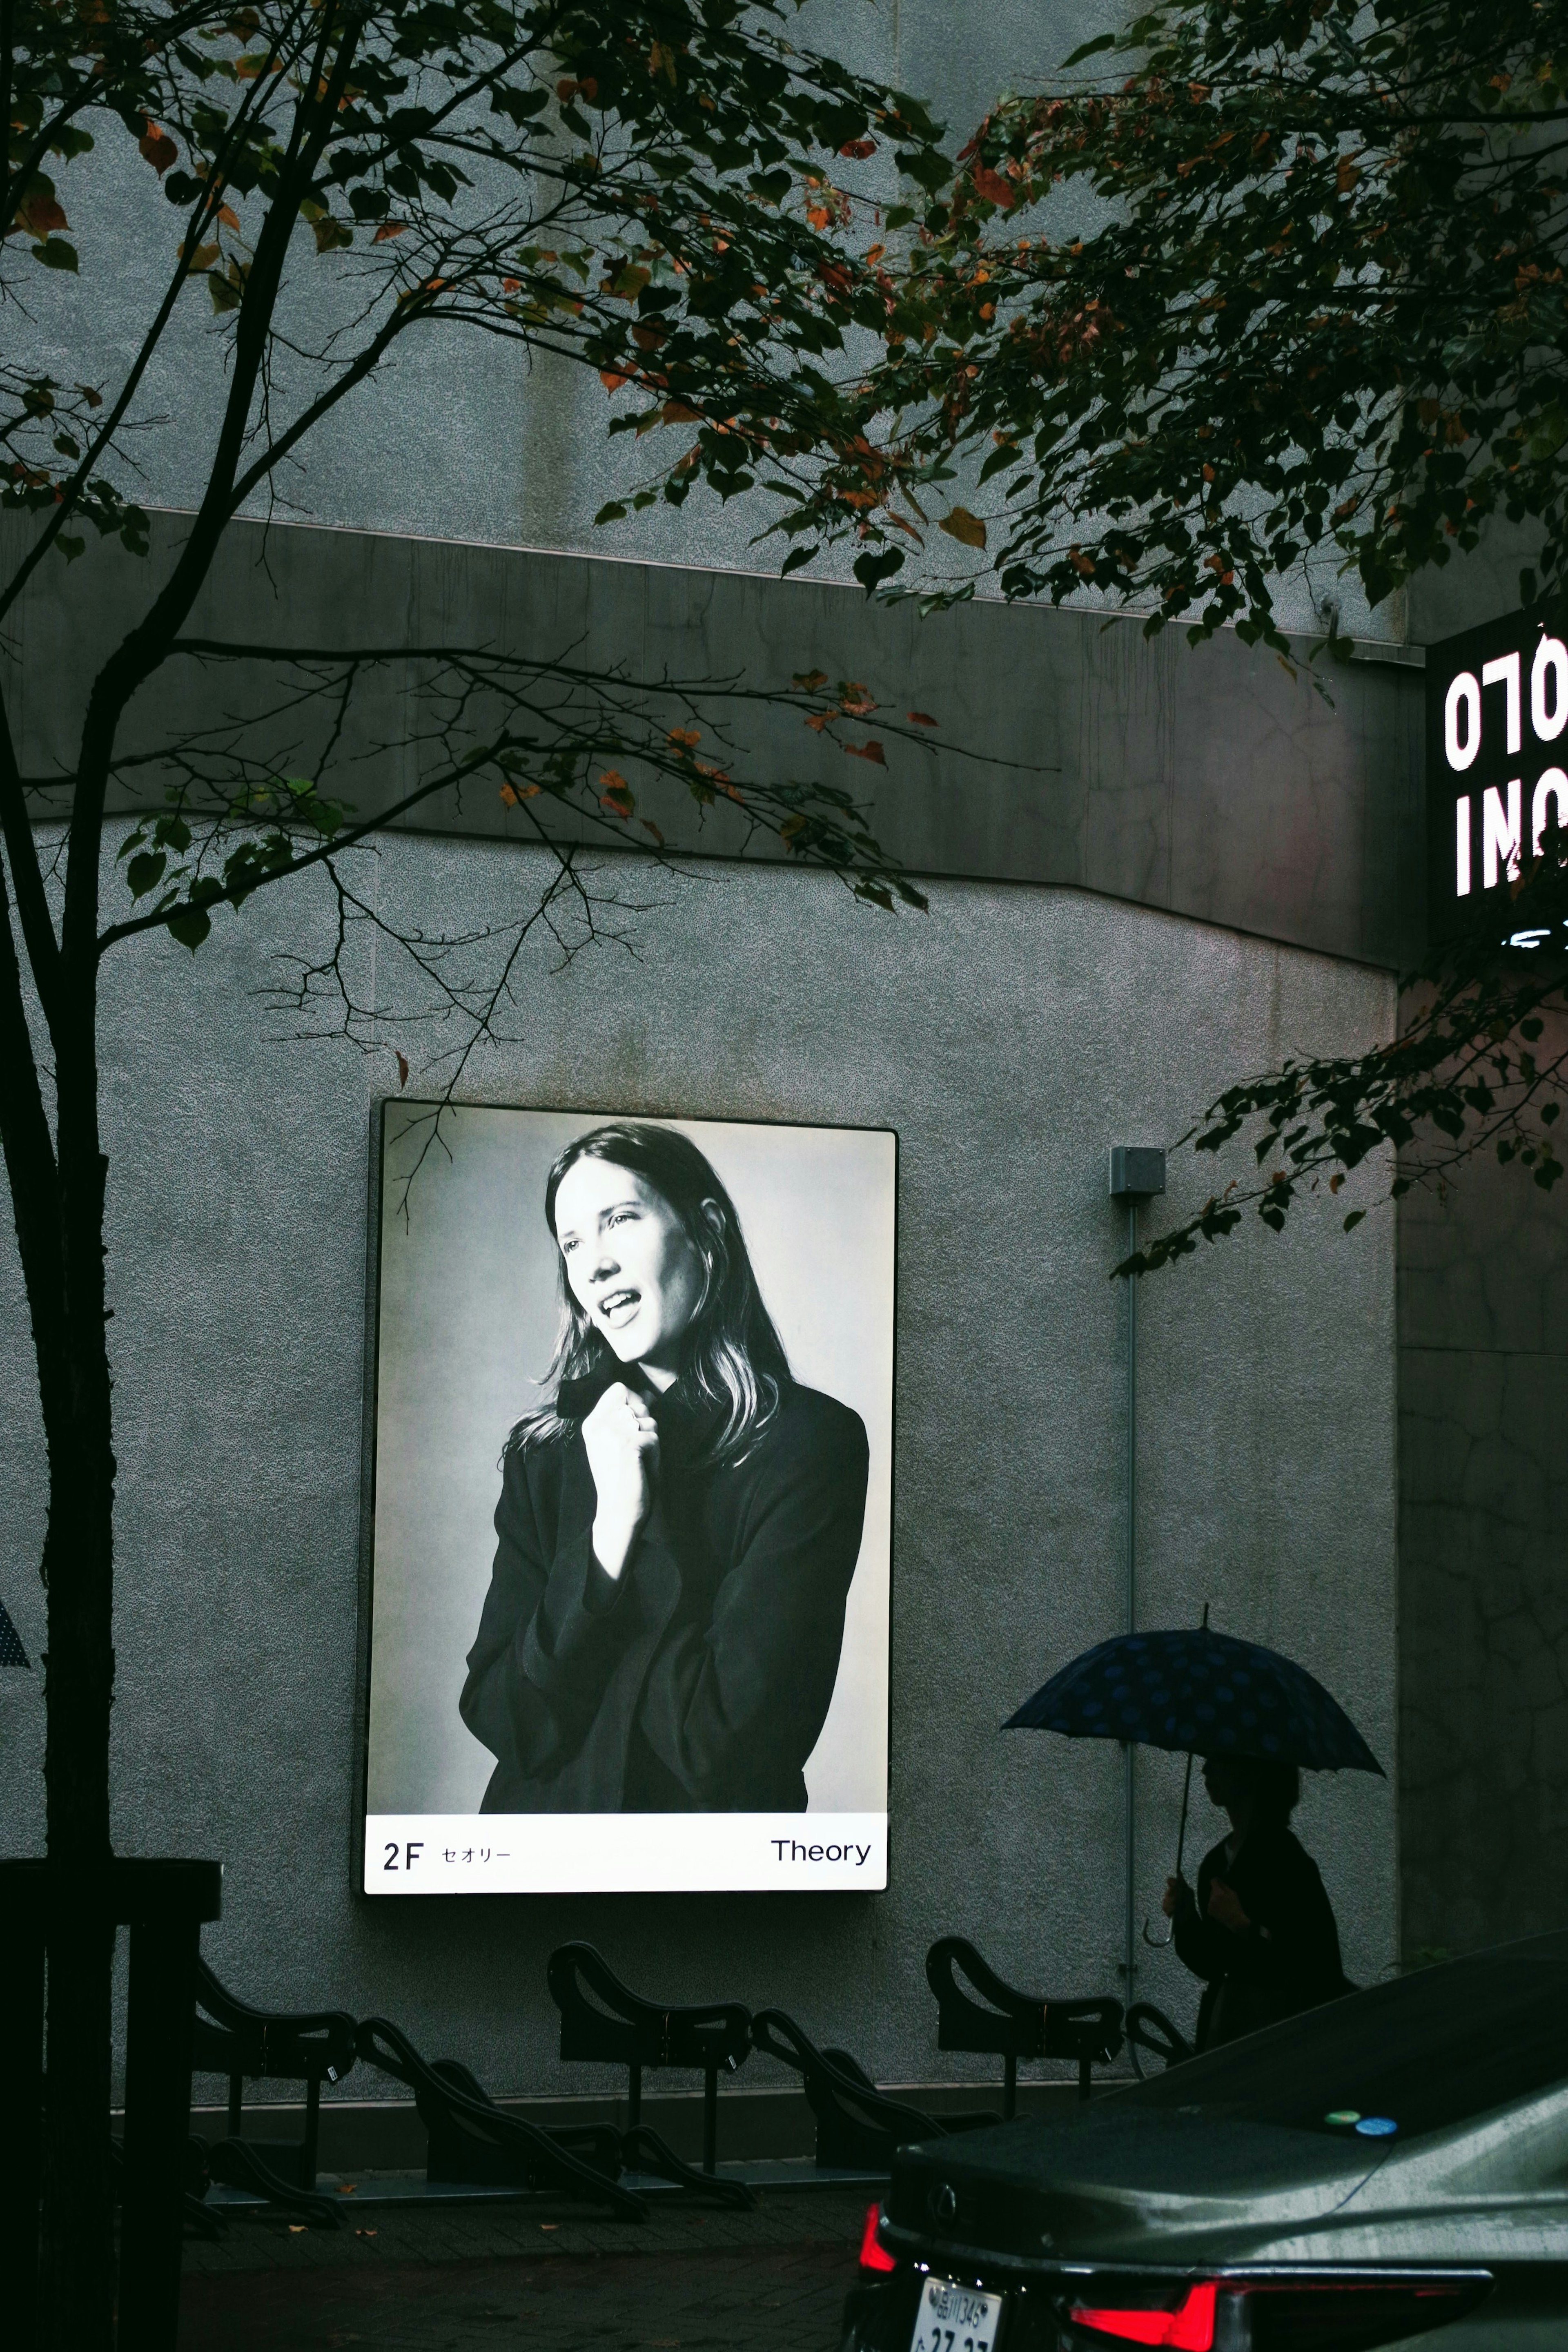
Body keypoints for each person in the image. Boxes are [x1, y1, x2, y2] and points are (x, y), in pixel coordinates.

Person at [460, 1121, 871, 1813]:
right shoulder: (549, 1453)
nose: (594, 1264)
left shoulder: (808, 1445)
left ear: (706, 1231)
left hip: (710, 1899)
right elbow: (505, 1720)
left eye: (620, 1219)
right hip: (523, 1888)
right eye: (572, 1243)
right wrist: (608, 1532)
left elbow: (719, 1746)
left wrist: (637, 1536)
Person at [1160, 1755, 1350, 2049]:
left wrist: (1245, 1926)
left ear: (1255, 1771)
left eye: (1220, 1758)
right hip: (1226, 2035)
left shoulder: (1287, 1859)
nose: (1206, 1768)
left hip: (1277, 2044)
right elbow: (1213, 1963)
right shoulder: (1215, 1864)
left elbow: (1316, 1962)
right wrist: (1186, 1917)